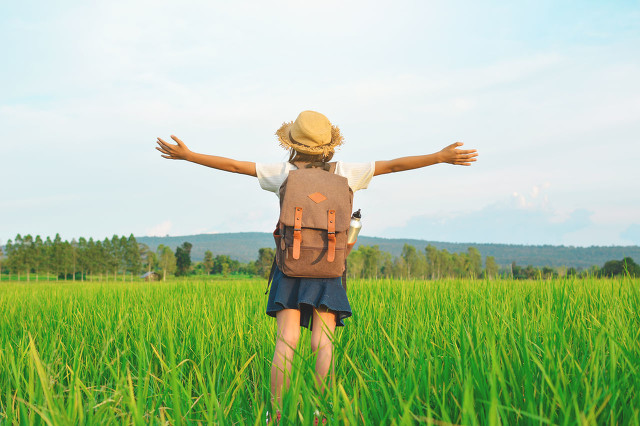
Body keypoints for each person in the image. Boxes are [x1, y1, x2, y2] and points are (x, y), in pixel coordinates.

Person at [155, 110, 478, 425]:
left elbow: (234, 166)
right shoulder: (347, 172)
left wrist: (189, 155)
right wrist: (439, 156)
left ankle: (277, 413)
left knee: (287, 341)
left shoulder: (282, 172)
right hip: (329, 267)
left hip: (291, 265)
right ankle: (322, 413)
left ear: (292, 143)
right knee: (323, 343)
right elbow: (393, 166)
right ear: (330, 145)